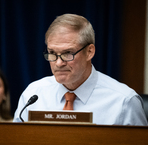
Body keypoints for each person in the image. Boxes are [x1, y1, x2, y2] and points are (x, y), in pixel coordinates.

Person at [13, 14, 148, 125]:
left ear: (89, 52)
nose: (58, 63)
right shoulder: (33, 94)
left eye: (67, 53)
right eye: (52, 53)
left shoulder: (124, 101)